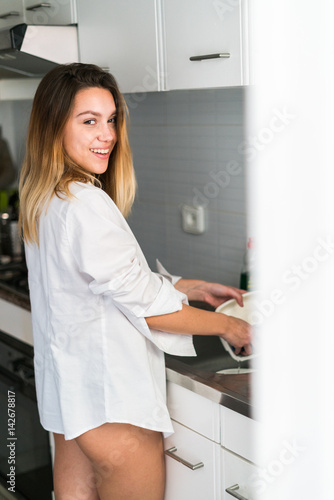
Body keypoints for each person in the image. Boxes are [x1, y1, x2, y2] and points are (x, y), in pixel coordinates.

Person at [19, 63, 251, 500]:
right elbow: (151, 309)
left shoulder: (47, 196)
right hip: (113, 406)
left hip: (73, 398)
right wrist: (232, 326)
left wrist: (190, 287)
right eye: (89, 121)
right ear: (53, 126)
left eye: (111, 120)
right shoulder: (86, 204)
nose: (106, 134)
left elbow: (107, 280)